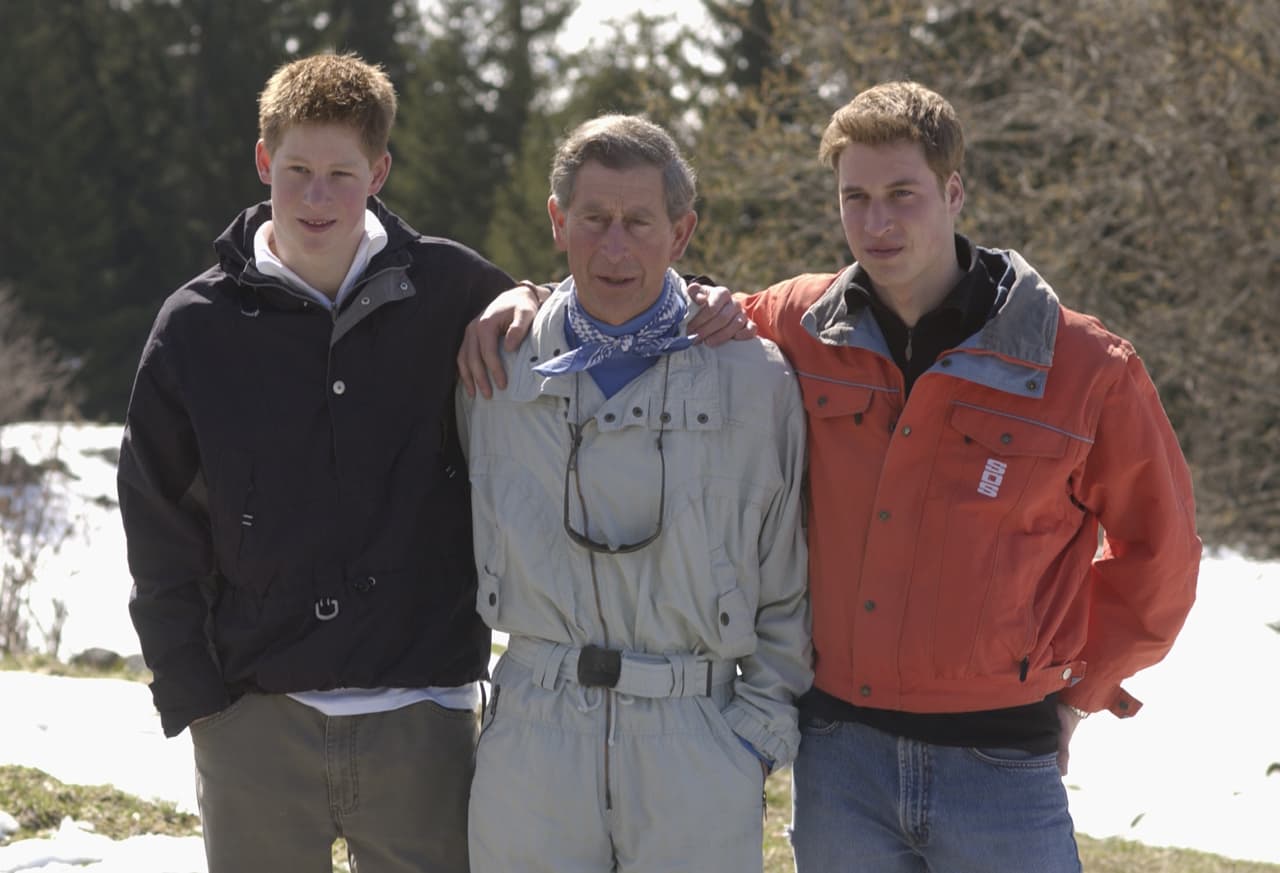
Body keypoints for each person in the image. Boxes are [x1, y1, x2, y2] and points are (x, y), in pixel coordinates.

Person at [458, 82, 1202, 873]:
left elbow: (1161, 554)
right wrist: (529, 296)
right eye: (856, 198)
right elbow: (633, 301)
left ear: (954, 191)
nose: (878, 223)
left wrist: (1080, 691)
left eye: (902, 194)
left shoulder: (1080, 363)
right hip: (841, 755)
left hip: (1000, 761)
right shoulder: (798, 325)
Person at [117, 53, 518, 873]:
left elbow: (603, 312)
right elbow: (156, 520)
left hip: (423, 719)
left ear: (380, 173)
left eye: (342, 174)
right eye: (297, 170)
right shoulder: (194, 325)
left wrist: (536, 297)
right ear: (264, 160)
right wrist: (196, 696)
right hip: (254, 722)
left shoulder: (455, 292)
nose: (316, 197)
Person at [457, 114, 812, 873]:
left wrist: (750, 745)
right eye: (593, 219)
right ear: (558, 222)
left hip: (698, 743)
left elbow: (788, 583)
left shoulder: (756, 381)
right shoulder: (493, 369)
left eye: (638, 222)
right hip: (533, 742)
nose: (614, 247)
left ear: (681, 233)